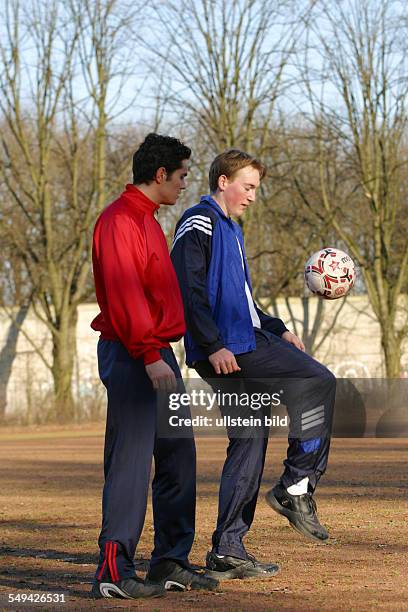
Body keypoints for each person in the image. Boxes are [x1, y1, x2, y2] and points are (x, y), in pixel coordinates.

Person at [171, 149, 336, 580]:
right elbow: (188, 290)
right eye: (248, 187)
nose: (252, 197)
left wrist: (278, 328)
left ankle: (227, 548)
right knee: (318, 381)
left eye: (256, 189)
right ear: (223, 182)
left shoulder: (231, 229)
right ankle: (295, 486)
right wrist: (212, 345)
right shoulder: (199, 221)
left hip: (240, 341)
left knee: (249, 439)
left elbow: (243, 302)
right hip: (232, 348)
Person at [90, 133, 218, 599]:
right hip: (133, 353)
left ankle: (169, 561)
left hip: (157, 352)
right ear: (161, 174)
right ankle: (112, 569)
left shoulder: (147, 220)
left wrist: (159, 352)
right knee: (130, 461)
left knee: (178, 455)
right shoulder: (119, 221)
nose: (186, 183)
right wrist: (147, 355)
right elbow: (125, 297)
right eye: (183, 175)